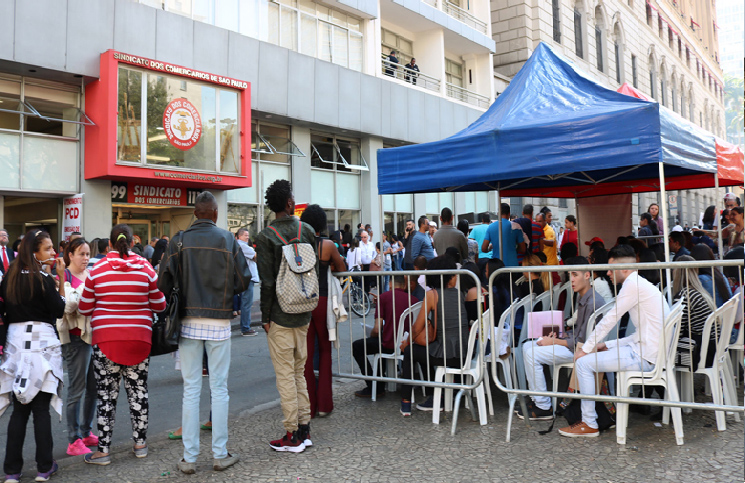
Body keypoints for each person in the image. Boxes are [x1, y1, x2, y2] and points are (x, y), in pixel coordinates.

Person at [158, 192, 251, 474]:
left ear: (195, 213)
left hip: (187, 322)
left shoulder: (179, 240)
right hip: (220, 322)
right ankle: (220, 454)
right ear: (214, 214)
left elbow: (163, 282)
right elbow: (243, 279)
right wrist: (225, 295)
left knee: (191, 389)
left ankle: (189, 458)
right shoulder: (227, 239)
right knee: (219, 388)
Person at [558, 245, 669, 438]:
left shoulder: (632, 285)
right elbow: (639, 335)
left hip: (647, 356)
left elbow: (610, 319)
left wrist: (586, 348)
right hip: (649, 351)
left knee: (583, 363)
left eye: (611, 268)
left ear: (624, 269)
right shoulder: (639, 284)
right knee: (591, 357)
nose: (608, 273)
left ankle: (589, 423)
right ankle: (594, 419)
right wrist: (606, 345)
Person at [78, 225, 166, 465]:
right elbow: (160, 305)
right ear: (132, 242)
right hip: (139, 340)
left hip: (106, 341)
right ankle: (140, 446)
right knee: (139, 393)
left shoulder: (97, 270)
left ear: (109, 243)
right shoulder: (146, 268)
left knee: (106, 397)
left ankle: (103, 452)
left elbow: (84, 307)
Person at [255, 180, 317, 453]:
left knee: (284, 376)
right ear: (289, 204)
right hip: (304, 312)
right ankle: (304, 429)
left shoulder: (265, 237)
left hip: (280, 314)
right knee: (299, 372)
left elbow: (267, 282)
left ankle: (291, 435)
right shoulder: (308, 231)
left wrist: (265, 316)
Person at [0, 230, 66, 482]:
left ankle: (12, 472)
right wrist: (59, 277)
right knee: (40, 409)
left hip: (16, 346)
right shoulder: (43, 278)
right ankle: (43, 467)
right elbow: (59, 310)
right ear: (35, 252)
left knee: (19, 409)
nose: (53, 253)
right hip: (43, 346)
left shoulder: (10, 277)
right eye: (48, 249)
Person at [519, 256, 607, 420]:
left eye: (575, 275)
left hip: (583, 351)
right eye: (570, 275)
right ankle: (537, 398)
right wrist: (561, 335)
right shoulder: (585, 296)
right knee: (527, 346)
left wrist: (554, 341)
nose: (571, 280)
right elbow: (579, 332)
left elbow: (584, 342)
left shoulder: (592, 301)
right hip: (576, 345)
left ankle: (543, 407)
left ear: (587, 275)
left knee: (532, 353)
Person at [399, 256, 469, 415]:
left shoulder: (432, 295)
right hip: (464, 352)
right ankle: (436, 395)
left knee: (411, 351)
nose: (456, 277)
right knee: (423, 350)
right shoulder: (459, 293)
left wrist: (406, 343)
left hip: (447, 354)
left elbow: (417, 327)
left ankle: (406, 402)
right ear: (447, 276)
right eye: (453, 274)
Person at [298, 205, 346, 418]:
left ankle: (309, 406)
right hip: (323, 300)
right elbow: (342, 268)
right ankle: (325, 405)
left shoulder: (297, 245)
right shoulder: (327, 245)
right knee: (325, 351)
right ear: (321, 224)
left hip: (302, 301)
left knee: (306, 355)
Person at [57, 238, 98, 456]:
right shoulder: (64, 277)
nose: (85, 258)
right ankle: (73, 439)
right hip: (75, 339)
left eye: (88, 254)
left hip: (92, 336)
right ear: (70, 255)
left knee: (93, 389)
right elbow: (65, 307)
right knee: (76, 390)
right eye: (81, 254)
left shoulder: (90, 275)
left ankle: (86, 431)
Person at [353, 275, 419, 398]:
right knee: (381, 343)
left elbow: (377, 330)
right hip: (408, 345)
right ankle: (379, 383)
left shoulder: (383, 298)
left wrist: (371, 333)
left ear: (389, 285)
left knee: (357, 346)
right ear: (404, 286)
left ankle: (374, 386)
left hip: (389, 345)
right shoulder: (414, 300)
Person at [671, 255, 716, 370]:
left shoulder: (685, 295)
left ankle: (663, 385)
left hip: (701, 354)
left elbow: (677, 332)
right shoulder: (700, 292)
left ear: (677, 272)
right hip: (714, 349)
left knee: (659, 352)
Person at [236, 228, 260, 337]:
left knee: (245, 303)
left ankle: (245, 327)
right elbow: (256, 257)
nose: (247, 237)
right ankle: (245, 328)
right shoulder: (242, 246)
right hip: (248, 278)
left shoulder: (239, 245)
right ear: (240, 236)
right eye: (246, 235)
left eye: (248, 235)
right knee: (246, 304)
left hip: (244, 278)